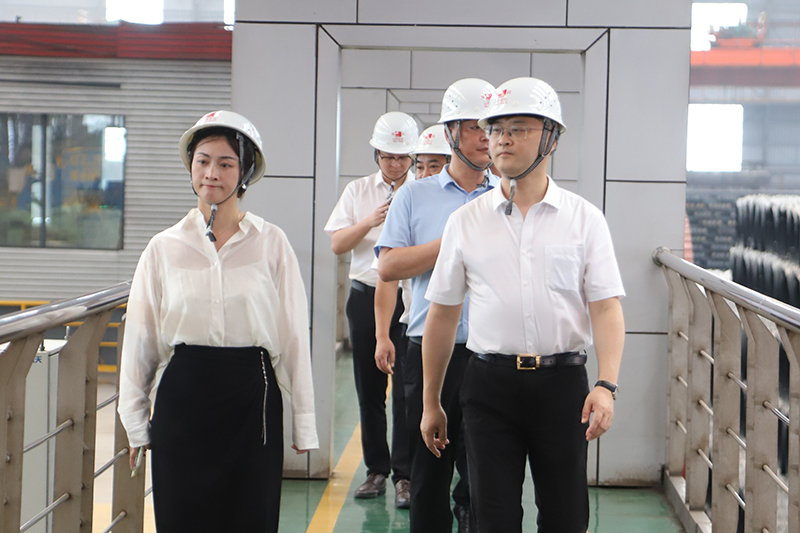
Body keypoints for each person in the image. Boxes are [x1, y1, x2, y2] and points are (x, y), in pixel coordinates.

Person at [420, 77, 626, 533]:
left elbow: (606, 307)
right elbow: (443, 314)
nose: (502, 139)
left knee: (566, 518)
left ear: (550, 138)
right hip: (488, 387)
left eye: (518, 128)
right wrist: (432, 401)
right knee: (492, 519)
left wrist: (606, 385)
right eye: (495, 129)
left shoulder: (584, 220)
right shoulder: (465, 222)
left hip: (563, 388)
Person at [118, 110, 318, 533]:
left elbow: (294, 336)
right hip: (182, 403)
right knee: (182, 519)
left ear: (245, 173)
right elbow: (141, 338)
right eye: (203, 161)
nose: (212, 173)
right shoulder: (162, 248)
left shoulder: (272, 243)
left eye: (226, 164)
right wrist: (135, 422)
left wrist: (304, 422)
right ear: (190, 167)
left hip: (253, 401)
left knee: (251, 518)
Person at [375, 78, 498, 533]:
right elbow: (389, 266)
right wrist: (452, 243)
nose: (487, 137)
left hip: (490, 352)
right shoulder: (415, 194)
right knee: (428, 469)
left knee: (487, 470)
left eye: (492, 127)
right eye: (475, 127)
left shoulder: (505, 196)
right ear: (450, 133)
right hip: (428, 348)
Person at [324, 111, 418, 505]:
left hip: (410, 300)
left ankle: (405, 476)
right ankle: (376, 470)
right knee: (369, 389)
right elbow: (337, 244)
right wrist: (370, 221)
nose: (395, 165)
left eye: (402, 157)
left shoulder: (424, 191)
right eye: (388, 157)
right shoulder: (358, 190)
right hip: (366, 295)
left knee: (408, 392)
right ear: (376, 154)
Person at [371, 122, 451, 507]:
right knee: (413, 414)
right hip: (418, 329)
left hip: (477, 341)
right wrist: (382, 334)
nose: (424, 173)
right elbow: (387, 273)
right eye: (420, 165)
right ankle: (402, 478)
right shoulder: (411, 200)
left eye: (434, 165)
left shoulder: (488, 199)